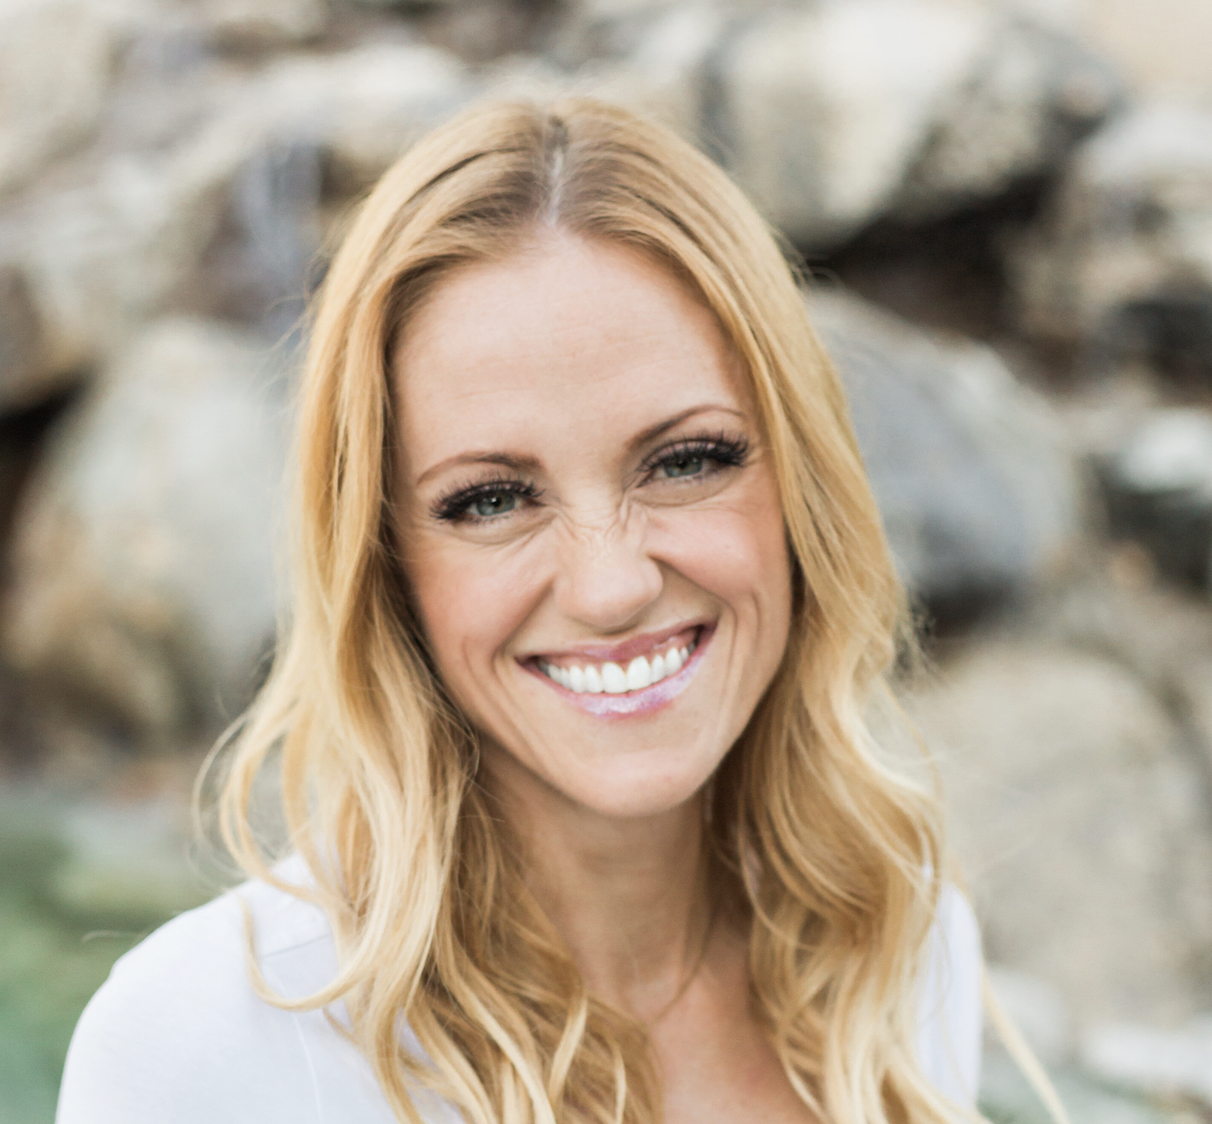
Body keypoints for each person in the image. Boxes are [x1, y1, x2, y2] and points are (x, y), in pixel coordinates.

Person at [56, 96, 985, 1124]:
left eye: (686, 461)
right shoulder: (204, 1050)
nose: (610, 585)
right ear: (385, 565)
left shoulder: (896, 937)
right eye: (491, 500)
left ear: (803, 484)